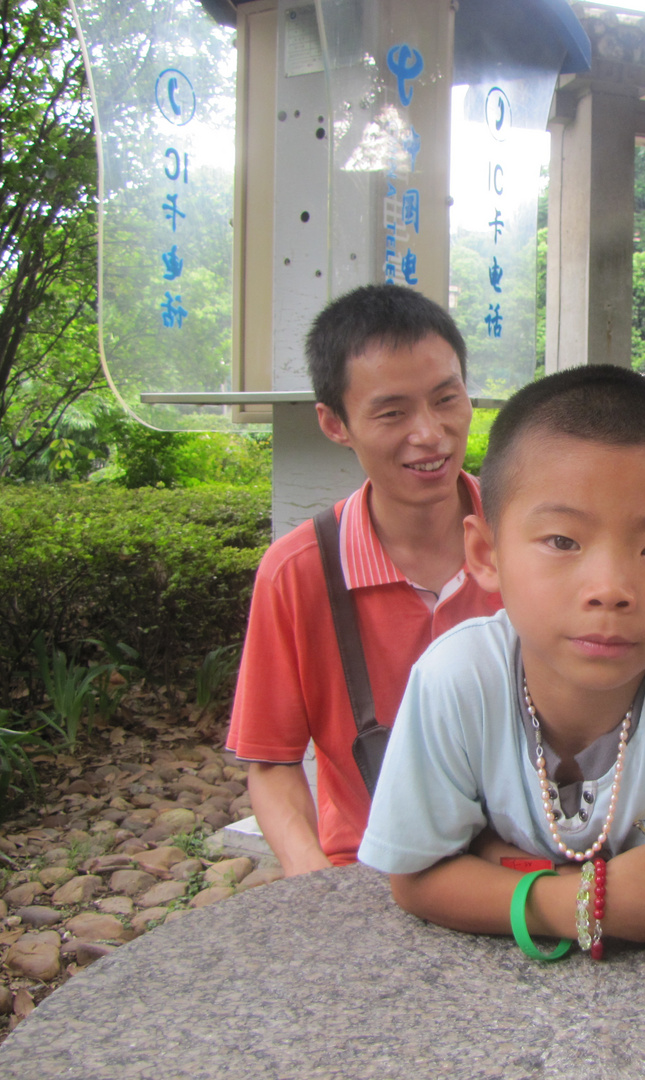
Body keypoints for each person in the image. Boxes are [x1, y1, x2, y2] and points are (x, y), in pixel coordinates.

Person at [359, 365, 645, 952]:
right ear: (486, 554)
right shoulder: (457, 680)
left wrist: (493, 858)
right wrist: (579, 902)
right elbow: (414, 879)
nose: (611, 587)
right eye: (563, 541)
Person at [226, 285, 503, 875]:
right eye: (392, 412)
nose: (430, 434)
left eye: (446, 398)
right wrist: (315, 880)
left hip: (528, 871)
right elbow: (271, 763)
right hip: (368, 872)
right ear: (335, 423)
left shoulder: (530, 542)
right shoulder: (299, 572)